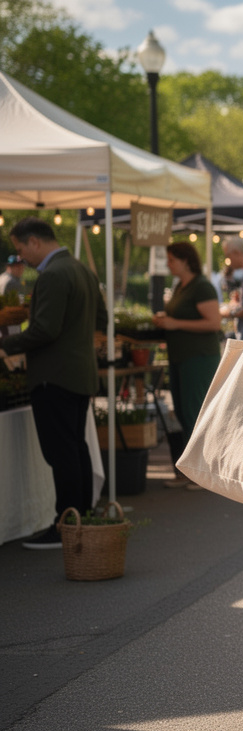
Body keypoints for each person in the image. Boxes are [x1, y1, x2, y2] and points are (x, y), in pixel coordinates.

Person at [2, 217, 107, 549]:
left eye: (21, 250)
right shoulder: (80, 269)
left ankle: (66, 522)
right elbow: (101, 320)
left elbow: (45, 329)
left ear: (34, 242)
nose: (22, 259)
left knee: (62, 451)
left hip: (55, 376)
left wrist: (6, 345)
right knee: (76, 447)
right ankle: (82, 518)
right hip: (79, 373)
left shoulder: (53, 274)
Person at [153, 241, 223, 491]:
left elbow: (214, 323)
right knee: (183, 412)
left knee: (195, 412)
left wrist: (175, 324)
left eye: (172, 260)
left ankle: (203, 473)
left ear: (185, 260)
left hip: (198, 358)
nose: (169, 264)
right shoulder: (181, 286)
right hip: (180, 357)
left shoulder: (201, 286)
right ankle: (189, 470)